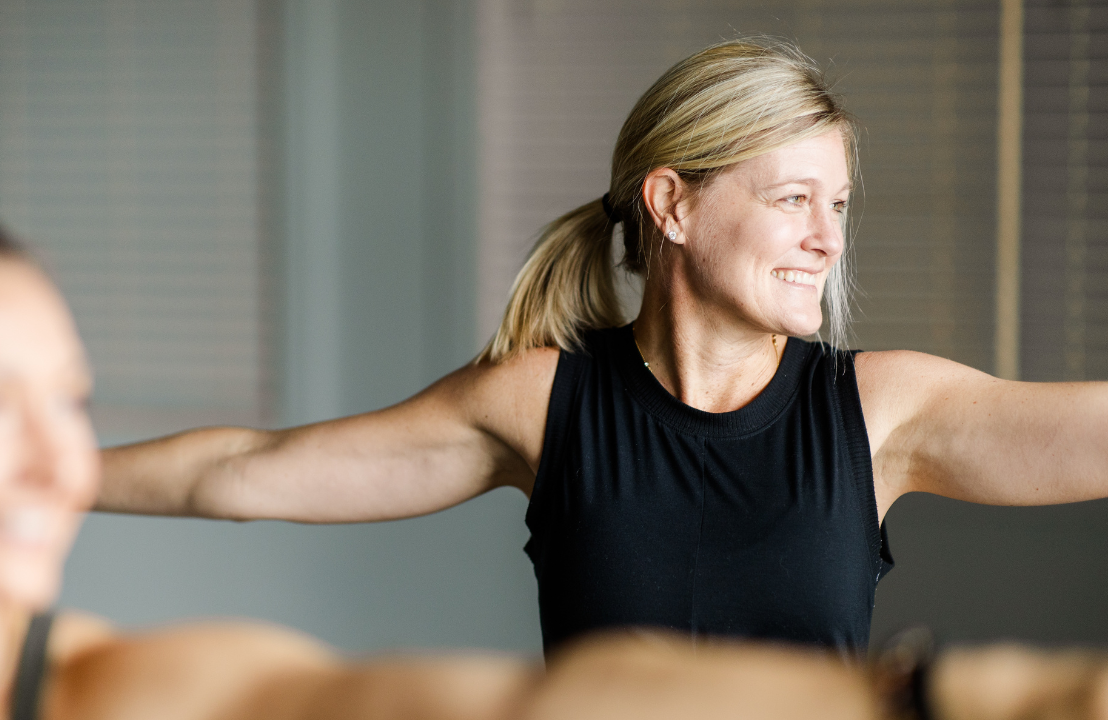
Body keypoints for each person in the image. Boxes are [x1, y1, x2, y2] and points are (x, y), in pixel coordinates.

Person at [96, 36, 1108, 659]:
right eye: (794, 199)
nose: (826, 240)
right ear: (672, 204)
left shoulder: (878, 411)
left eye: (836, 205)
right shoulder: (542, 403)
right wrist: (43, 473)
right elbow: (245, 471)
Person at [0, 182, 912, 720]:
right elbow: (239, 470)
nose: (59, 460)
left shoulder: (109, 691)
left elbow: (476, 705)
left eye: (72, 404)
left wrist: (921, 696)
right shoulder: (551, 396)